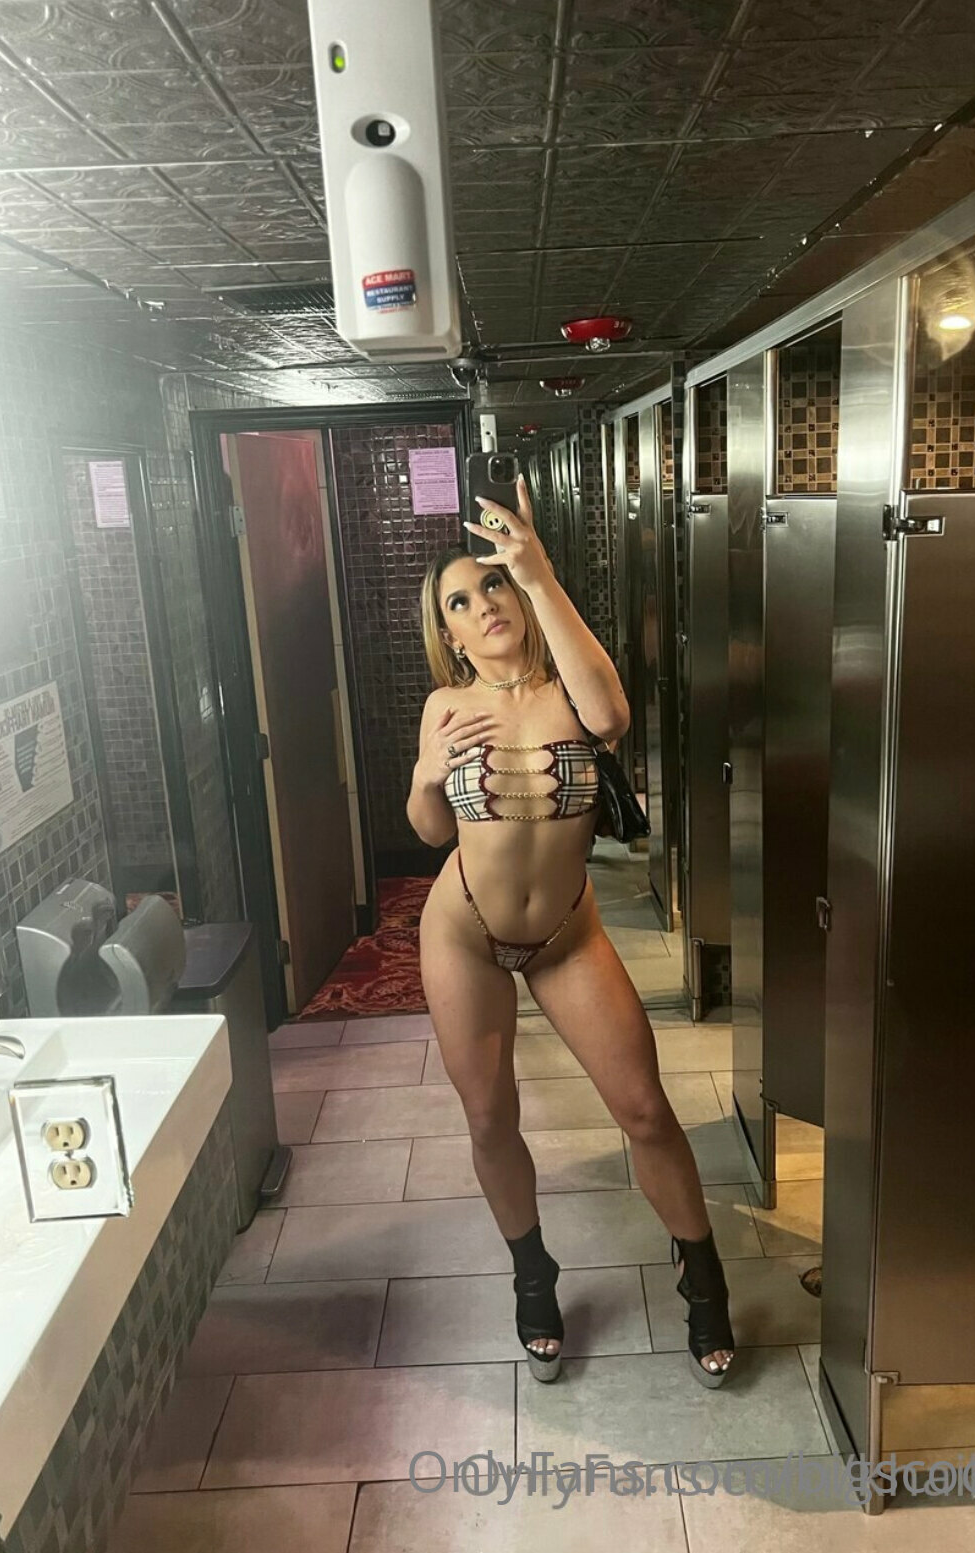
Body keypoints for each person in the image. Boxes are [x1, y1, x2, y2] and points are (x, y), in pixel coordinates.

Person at [407, 472, 735, 1389]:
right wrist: (428, 773)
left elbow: (613, 717)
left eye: (492, 584)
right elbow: (430, 830)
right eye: (461, 602)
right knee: (489, 1116)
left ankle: (702, 1272)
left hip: (567, 935)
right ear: (451, 633)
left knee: (644, 1109)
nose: (484, 605)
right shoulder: (444, 707)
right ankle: (532, 1271)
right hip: (463, 934)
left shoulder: (568, 688)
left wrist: (538, 571)